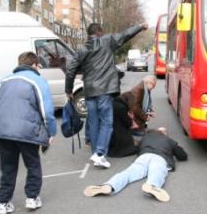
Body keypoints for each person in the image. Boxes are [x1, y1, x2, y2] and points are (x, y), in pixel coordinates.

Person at [65, 22, 148, 168]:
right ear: (100, 32)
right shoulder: (107, 40)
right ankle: (99, 154)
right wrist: (140, 26)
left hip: (90, 90)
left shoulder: (82, 49)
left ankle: (95, 152)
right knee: (107, 122)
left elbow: (71, 69)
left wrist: (68, 89)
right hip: (105, 89)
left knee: (93, 121)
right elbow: (125, 34)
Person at [0, 52, 56, 214]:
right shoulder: (38, 81)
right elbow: (47, 112)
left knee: (8, 168)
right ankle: (32, 198)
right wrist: (51, 132)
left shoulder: (4, 80)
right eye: (39, 65)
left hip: (4, 131)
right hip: (27, 131)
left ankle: (2, 202)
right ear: (35, 65)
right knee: (33, 164)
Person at [83, 127, 188, 202]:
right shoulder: (168, 140)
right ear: (165, 134)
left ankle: (109, 185)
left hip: (144, 156)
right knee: (157, 171)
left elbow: (137, 149)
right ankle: (152, 185)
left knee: (128, 173)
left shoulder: (145, 138)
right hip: (159, 157)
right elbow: (182, 155)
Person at [107, 91, 137, 158]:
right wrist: (131, 117)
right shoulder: (121, 108)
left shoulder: (114, 103)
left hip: (111, 133)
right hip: (118, 136)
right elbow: (128, 123)